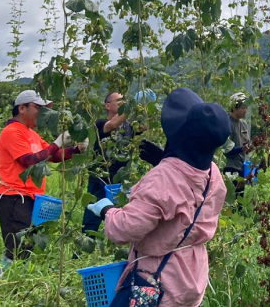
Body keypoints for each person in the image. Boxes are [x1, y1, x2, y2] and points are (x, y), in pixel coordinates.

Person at [87, 88, 230, 307]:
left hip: (158, 281)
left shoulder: (162, 179)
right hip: (191, 275)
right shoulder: (213, 174)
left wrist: (107, 210)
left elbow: (124, 228)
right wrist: (164, 160)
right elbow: (184, 197)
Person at [0, 90, 88, 271]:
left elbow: (53, 156)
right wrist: (57, 142)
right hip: (14, 198)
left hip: (31, 198)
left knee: (26, 247)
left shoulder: (31, 134)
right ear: (22, 108)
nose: (43, 113)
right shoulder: (12, 132)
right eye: (38, 108)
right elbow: (28, 160)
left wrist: (77, 149)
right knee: (17, 250)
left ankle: (12, 284)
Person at [82, 92, 134, 234]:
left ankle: (112, 251)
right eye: (120, 101)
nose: (123, 103)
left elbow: (146, 126)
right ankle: (80, 252)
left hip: (121, 183)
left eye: (125, 100)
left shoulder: (129, 126)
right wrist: (131, 105)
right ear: (107, 106)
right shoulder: (99, 125)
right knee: (91, 220)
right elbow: (113, 124)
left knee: (121, 219)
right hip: (100, 179)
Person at [220, 91, 252, 198]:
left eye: (245, 108)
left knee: (240, 199)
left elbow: (246, 143)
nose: (245, 110)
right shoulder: (227, 123)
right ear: (234, 108)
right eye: (242, 108)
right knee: (231, 199)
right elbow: (226, 148)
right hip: (230, 167)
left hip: (241, 166)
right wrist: (241, 149)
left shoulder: (243, 124)